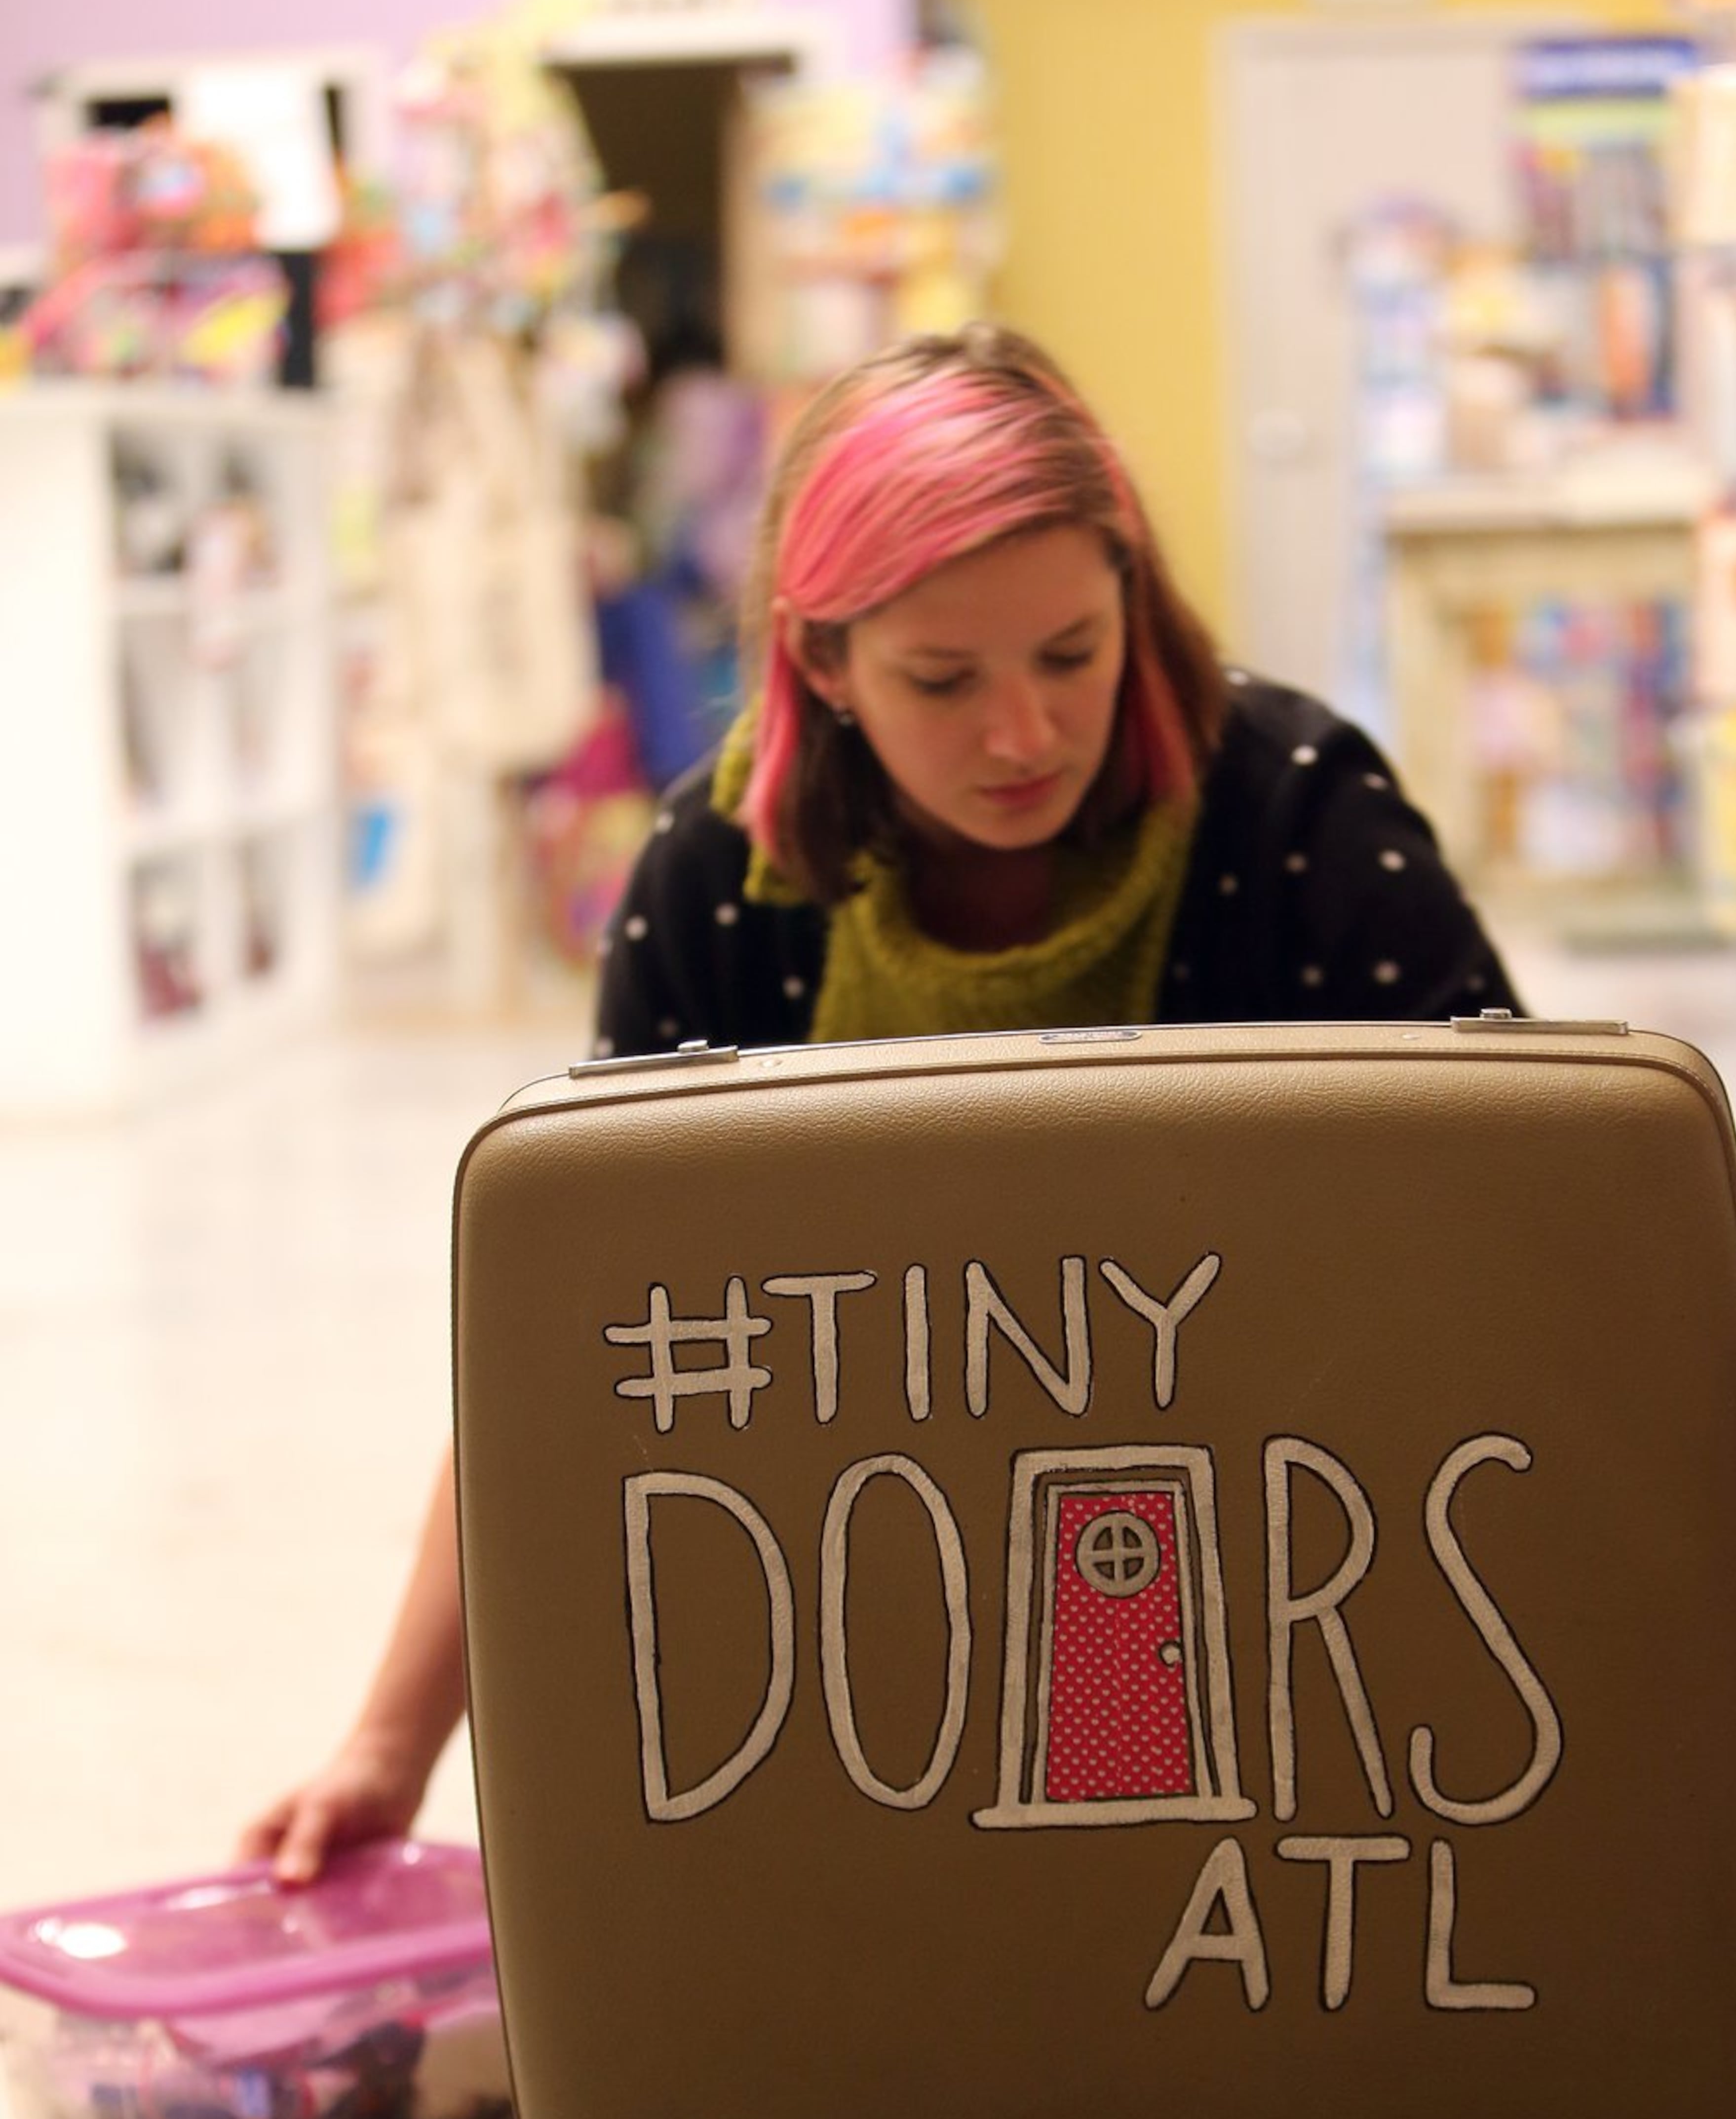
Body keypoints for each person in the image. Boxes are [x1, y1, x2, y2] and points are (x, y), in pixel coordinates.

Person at [242, 321, 1523, 1884]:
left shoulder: (1299, 814)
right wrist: (389, 1743)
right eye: (941, 678)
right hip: (872, 1606)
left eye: (1072, 653)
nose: (1024, 735)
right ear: (823, 663)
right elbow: (565, 1364)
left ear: (1134, 596)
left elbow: (1520, 1224)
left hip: (1307, 1548)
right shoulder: (718, 891)